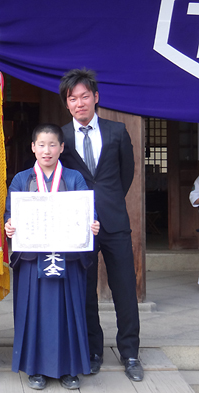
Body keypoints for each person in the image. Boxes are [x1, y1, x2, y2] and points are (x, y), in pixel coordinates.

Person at [59, 68, 143, 382]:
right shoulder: (61, 138)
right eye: (72, 98)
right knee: (85, 291)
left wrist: (108, 203)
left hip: (114, 220)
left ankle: (130, 352)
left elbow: (126, 174)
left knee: (124, 288)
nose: (79, 103)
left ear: (96, 97)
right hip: (78, 226)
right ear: (66, 104)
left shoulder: (117, 131)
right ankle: (93, 350)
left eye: (84, 96)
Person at [4, 124, 100, 390]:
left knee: (69, 313)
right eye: (41, 145)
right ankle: (35, 368)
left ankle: (69, 368)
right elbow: (9, 213)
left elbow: (88, 212)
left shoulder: (74, 178)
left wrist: (92, 223)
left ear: (61, 148)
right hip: (33, 260)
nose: (47, 150)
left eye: (52, 145)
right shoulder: (22, 179)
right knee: (33, 313)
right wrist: (9, 225)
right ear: (33, 147)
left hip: (67, 259)